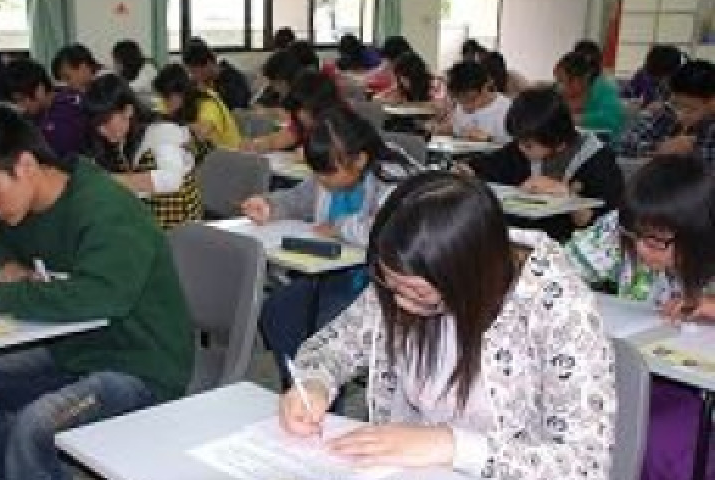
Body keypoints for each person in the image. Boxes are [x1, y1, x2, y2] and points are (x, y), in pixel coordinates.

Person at [281, 170, 615, 479]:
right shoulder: (405, 274)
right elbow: (334, 344)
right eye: (389, 283)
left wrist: (451, 446)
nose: (398, 301)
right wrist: (315, 383)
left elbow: (586, 464)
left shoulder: (555, 304)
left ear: (464, 277)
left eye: (415, 291)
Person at [0, 104, 193, 480]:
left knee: (37, 427)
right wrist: (6, 268)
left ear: (26, 165)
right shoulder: (21, 205)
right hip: (77, 347)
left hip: (141, 366)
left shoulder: (106, 209)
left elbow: (102, 296)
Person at [241, 107, 421, 387]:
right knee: (277, 313)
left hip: (379, 281)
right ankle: (299, 389)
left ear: (359, 160)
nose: (321, 180)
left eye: (328, 173)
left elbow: (388, 230)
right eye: (318, 174)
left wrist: (339, 227)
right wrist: (269, 206)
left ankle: (324, 396)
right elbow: (299, 199)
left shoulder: (393, 176)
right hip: (329, 273)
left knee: (327, 327)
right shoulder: (330, 169)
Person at [564, 155, 715, 480]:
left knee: (654, 445)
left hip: (698, 395)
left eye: (655, 241)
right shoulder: (629, 228)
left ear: (698, 234)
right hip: (640, 376)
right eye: (634, 237)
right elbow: (560, 269)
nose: (642, 250)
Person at [470, 87, 623, 241]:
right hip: (517, 240)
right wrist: (465, 170)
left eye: (528, 145)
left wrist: (569, 199)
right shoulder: (521, 148)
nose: (520, 148)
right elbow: (484, 168)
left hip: (568, 246)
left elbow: (604, 228)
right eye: (518, 140)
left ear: (559, 144)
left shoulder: (599, 164)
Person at [84, 74, 202, 228]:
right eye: (96, 124)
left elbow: (171, 180)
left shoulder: (163, 130)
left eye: (106, 122)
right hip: (149, 216)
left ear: (128, 110)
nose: (101, 130)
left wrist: (110, 180)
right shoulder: (121, 137)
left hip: (180, 226)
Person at [616, 60, 715, 166]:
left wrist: (690, 152)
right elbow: (623, 144)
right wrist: (660, 147)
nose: (680, 115)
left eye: (690, 109)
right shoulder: (669, 112)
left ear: (712, 102)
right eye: (676, 104)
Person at [242, 69, 346, 153]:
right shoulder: (299, 122)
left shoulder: (341, 123)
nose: (301, 115)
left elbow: (341, 154)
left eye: (307, 110)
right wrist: (259, 144)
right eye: (299, 108)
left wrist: (309, 155)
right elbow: (280, 139)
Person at [4, 59, 88, 160]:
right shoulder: (38, 112)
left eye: (22, 100)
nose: (21, 107)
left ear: (39, 90)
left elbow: (54, 155)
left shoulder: (68, 112)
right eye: (16, 102)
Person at [153, 63, 242, 149]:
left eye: (167, 97)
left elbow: (201, 133)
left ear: (182, 92)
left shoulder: (207, 104)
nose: (164, 101)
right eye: (162, 96)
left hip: (228, 154)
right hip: (202, 154)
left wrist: (176, 124)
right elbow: (159, 118)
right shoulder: (171, 100)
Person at [431, 61, 512, 144]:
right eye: (459, 100)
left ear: (485, 87)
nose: (466, 106)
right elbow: (458, 129)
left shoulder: (507, 110)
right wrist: (446, 130)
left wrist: (490, 139)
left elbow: (514, 145)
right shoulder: (460, 105)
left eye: (472, 99)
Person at [554, 51, 625, 140]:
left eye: (562, 81)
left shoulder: (603, 89)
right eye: (558, 80)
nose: (560, 87)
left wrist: (573, 119)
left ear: (584, 78)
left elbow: (612, 118)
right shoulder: (566, 92)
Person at [182, 38, 252, 110]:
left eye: (194, 71)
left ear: (208, 63)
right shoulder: (201, 81)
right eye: (190, 72)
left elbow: (235, 109)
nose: (193, 76)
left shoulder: (234, 81)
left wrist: (206, 92)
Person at [621, 44, 683, 109]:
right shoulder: (644, 73)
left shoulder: (681, 80)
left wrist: (665, 104)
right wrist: (632, 103)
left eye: (660, 76)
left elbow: (682, 103)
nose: (656, 78)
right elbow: (627, 94)